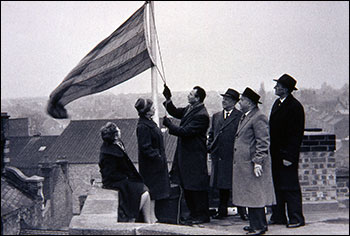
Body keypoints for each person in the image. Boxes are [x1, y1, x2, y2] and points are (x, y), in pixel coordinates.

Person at [162, 84, 210, 225]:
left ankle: (201, 215)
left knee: (196, 187)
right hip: (187, 155)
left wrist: (169, 125)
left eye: (191, 94)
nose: (188, 95)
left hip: (195, 156)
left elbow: (185, 131)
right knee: (188, 185)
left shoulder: (202, 115)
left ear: (198, 98)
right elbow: (176, 112)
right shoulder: (191, 109)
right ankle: (194, 214)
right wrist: (168, 98)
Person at [232, 87, 276, 235]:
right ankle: (254, 224)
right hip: (245, 164)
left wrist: (258, 161)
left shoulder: (258, 117)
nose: (240, 102)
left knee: (256, 195)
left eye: (242, 100)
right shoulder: (247, 116)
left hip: (252, 164)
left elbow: (263, 142)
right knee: (250, 195)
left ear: (250, 103)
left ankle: (259, 226)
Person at [98, 122, 157, 223]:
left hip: (123, 178)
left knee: (145, 191)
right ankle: (132, 218)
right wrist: (126, 178)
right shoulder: (108, 153)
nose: (120, 130)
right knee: (143, 193)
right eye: (118, 129)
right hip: (115, 182)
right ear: (115, 135)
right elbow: (109, 173)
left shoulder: (117, 144)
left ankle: (148, 221)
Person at [268, 74, 305, 228]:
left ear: (285, 89)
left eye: (278, 86)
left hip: (286, 155)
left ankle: (296, 217)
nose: (275, 88)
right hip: (276, 153)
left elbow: (296, 135)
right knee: (277, 185)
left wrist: (289, 156)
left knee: (290, 186)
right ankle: (279, 216)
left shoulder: (295, 107)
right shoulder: (277, 103)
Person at [207, 88, 248, 221]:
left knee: (238, 185)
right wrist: (211, 146)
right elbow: (211, 134)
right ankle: (222, 210)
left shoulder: (240, 116)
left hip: (233, 156)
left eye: (227, 99)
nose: (224, 101)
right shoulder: (216, 116)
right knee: (221, 186)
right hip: (219, 156)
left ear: (234, 102)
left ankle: (243, 211)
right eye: (223, 98)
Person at [134, 98, 171, 223]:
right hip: (151, 167)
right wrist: (158, 157)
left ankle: (152, 217)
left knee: (154, 194)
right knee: (152, 193)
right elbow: (146, 147)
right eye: (152, 107)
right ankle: (149, 219)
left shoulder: (148, 123)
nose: (154, 109)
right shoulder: (143, 126)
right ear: (147, 111)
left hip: (155, 166)